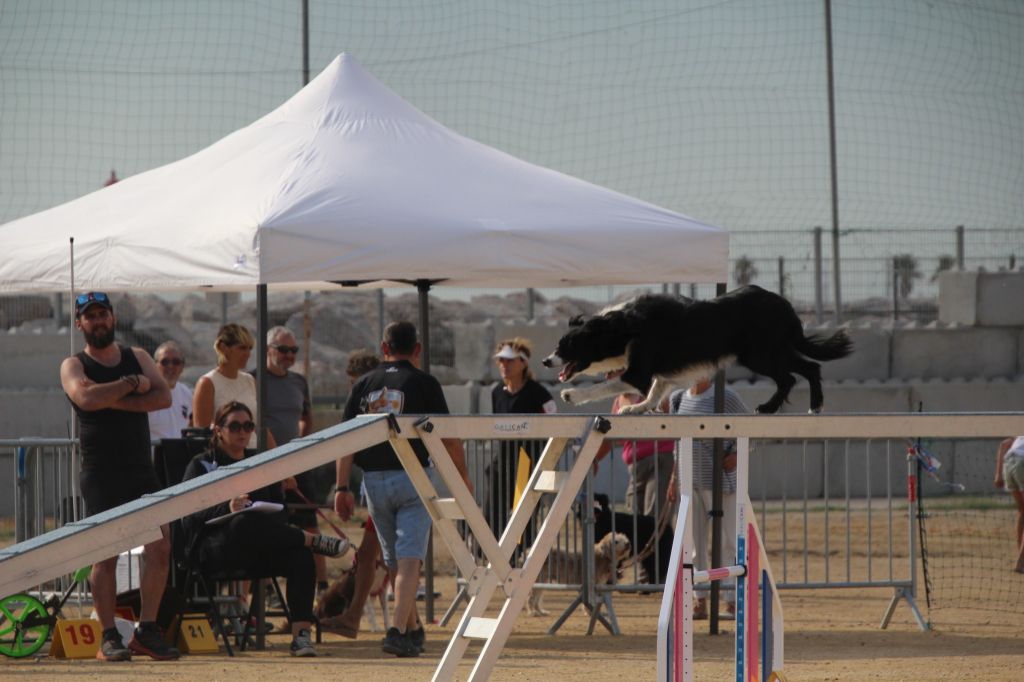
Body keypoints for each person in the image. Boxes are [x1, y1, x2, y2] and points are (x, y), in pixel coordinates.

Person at [334, 322, 472, 657]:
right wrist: (462, 479)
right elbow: (448, 437)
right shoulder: (424, 383)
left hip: (373, 480)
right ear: (417, 349)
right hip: (412, 475)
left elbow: (344, 442)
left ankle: (411, 629)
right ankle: (397, 630)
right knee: (411, 557)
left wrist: (341, 487)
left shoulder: (364, 384)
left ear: (384, 348)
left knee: (394, 558)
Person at [59, 291, 180, 662]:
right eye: (90, 316)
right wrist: (130, 385)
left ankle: (146, 630)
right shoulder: (73, 364)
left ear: (113, 318)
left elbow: (162, 398)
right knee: (105, 556)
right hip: (100, 472)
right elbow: (86, 399)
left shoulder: (138, 356)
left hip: (139, 470)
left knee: (160, 547)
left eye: (103, 314)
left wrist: (112, 396)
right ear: (80, 323)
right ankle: (108, 634)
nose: (98, 321)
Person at [181, 401, 347, 657]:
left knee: (300, 556)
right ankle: (310, 539)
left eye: (248, 426)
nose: (242, 432)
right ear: (218, 430)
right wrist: (227, 507)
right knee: (241, 521)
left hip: (256, 549)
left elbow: (279, 511)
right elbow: (187, 517)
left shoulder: (259, 463)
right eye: (234, 426)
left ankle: (301, 636)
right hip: (213, 550)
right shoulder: (201, 465)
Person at [668, 377, 750, 620]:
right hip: (688, 479)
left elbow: (750, 426)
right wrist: (674, 477)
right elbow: (677, 442)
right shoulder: (678, 398)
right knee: (694, 544)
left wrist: (737, 452)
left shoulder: (726, 396)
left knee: (727, 541)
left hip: (720, 480)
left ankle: (731, 599)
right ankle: (699, 598)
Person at [320, 349, 382, 639]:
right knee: (375, 555)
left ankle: (359, 618)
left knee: (375, 555)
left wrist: (341, 488)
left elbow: (345, 443)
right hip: (387, 483)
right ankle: (358, 616)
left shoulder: (363, 398)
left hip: (383, 485)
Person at [258, 326, 322, 585]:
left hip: (297, 464)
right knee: (268, 529)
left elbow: (307, 416)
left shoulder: (299, 381)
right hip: (266, 466)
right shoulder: (255, 379)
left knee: (310, 525)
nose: (288, 355)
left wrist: (302, 445)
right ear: (268, 350)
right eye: (283, 350)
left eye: (293, 350)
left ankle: (322, 585)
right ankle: (264, 590)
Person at [486, 338, 556, 544]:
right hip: (503, 463)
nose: (503, 365)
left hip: (528, 464)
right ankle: (495, 559)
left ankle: (521, 561)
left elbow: (555, 424)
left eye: (509, 361)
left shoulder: (538, 393)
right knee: (492, 515)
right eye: (501, 361)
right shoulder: (496, 392)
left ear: (524, 363)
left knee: (523, 519)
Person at [594, 370, 675, 519]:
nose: (607, 377)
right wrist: (594, 459)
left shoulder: (649, 391)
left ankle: (659, 541)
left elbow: (670, 421)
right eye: (605, 373)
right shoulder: (619, 401)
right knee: (634, 516)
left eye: (611, 372)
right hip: (635, 465)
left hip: (659, 459)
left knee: (654, 515)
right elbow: (611, 436)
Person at [192, 323, 259, 448]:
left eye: (250, 348)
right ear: (223, 348)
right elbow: (202, 433)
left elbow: (259, 427)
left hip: (255, 454)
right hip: (225, 459)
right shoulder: (207, 383)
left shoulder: (250, 380)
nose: (248, 354)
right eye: (242, 348)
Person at [147, 341, 193, 440]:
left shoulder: (187, 393)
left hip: (179, 454)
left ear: (182, 367)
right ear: (155, 365)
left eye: (176, 362)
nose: (170, 366)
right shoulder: (146, 393)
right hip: (153, 454)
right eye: (165, 362)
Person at [994, 436, 1024, 573]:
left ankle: (1021, 557)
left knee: (1022, 510)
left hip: (1009, 462)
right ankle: (1020, 562)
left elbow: (1004, 444)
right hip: (1022, 462)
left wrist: (998, 475)